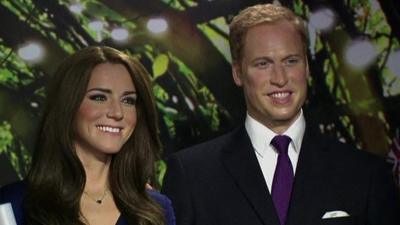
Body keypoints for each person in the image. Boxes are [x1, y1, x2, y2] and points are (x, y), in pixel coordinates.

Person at [161, 3, 400, 225]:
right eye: (263, 64)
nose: (280, 78)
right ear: (238, 73)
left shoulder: (366, 174)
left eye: (291, 61)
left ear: (306, 66)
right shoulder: (191, 175)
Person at [0, 46, 175, 225]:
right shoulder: (13, 205)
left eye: (128, 100)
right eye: (99, 98)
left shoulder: (155, 209)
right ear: (68, 104)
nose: (117, 113)